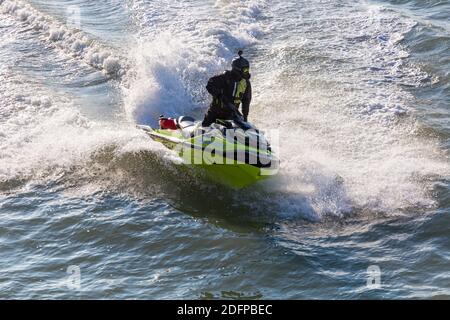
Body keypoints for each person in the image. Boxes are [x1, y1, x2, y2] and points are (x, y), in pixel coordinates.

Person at [202, 51, 252, 127]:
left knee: (237, 133)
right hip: (215, 113)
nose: (246, 73)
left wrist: (245, 117)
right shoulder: (224, 77)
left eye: (247, 70)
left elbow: (246, 101)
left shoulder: (246, 83)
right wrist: (220, 96)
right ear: (237, 69)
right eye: (245, 70)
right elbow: (210, 85)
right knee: (204, 130)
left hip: (231, 115)